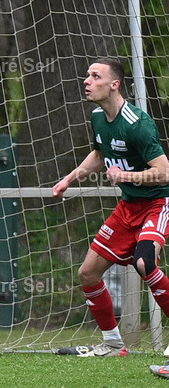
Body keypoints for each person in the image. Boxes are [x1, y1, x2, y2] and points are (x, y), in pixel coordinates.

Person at [51, 58, 169, 360]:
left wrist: (125, 176)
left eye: (95, 76)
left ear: (114, 84)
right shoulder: (98, 117)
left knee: (145, 263)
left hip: (157, 203)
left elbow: (164, 171)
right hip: (128, 207)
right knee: (88, 273)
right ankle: (114, 344)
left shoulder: (138, 125)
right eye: (87, 75)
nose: (87, 81)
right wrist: (69, 179)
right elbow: (99, 152)